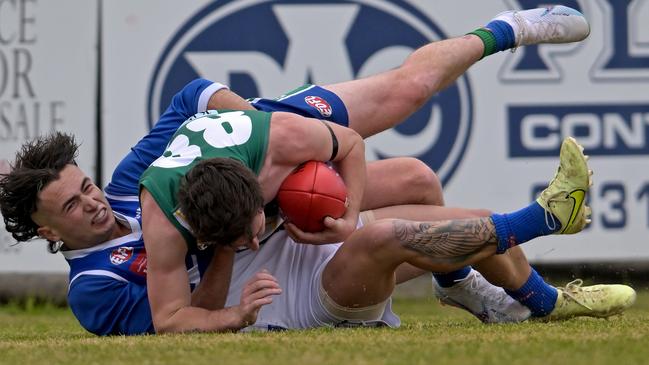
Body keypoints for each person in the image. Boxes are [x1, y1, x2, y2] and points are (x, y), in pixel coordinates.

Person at [0, 5, 633, 335]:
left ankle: (510, 27)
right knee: (397, 224)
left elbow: (192, 95)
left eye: (84, 186)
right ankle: (527, 256)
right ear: (50, 234)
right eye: (73, 207)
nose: (93, 203)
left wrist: (256, 139)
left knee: (412, 157)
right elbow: (180, 322)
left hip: (265, 166)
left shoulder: (135, 185)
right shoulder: (98, 284)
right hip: (265, 240)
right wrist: (239, 241)